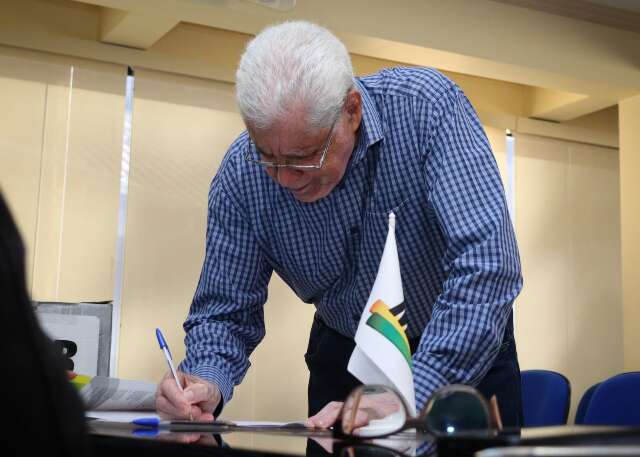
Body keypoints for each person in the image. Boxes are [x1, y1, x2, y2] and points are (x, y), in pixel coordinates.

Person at [155, 21, 523, 428]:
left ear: (351, 110)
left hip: (462, 350)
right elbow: (226, 310)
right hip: (346, 356)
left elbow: (487, 265)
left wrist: (411, 393)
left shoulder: (426, 108)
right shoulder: (241, 176)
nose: (285, 178)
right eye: (268, 157)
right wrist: (205, 381)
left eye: (304, 157)